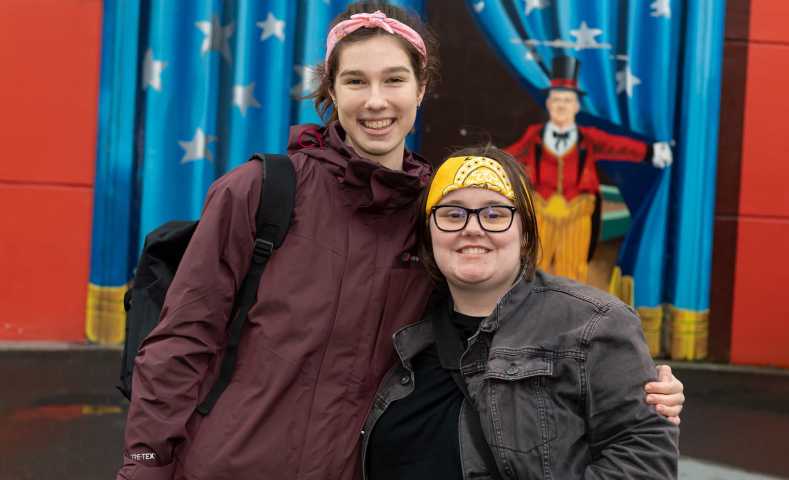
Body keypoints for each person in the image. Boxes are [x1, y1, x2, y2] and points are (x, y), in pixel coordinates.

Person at [118, 4, 683, 480]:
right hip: (226, 467)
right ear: (330, 90)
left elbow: (508, 311)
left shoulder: (436, 212)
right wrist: (145, 465)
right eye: (355, 81)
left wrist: (627, 382)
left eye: (393, 80)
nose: (375, 101)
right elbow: (181, 341)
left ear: (421, 88)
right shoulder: (260, 190)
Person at [362, 147, 679, 479]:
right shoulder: (396, 327)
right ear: (429, 234)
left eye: (495, 214)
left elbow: (645, 460)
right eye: (453, 214)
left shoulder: (595, 324)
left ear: (526, 234)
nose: (472, 228)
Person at [505, 56, 673, 282]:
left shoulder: (588, 138)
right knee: (533, 265)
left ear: (576, 106)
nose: (561, 105)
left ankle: (569, 303)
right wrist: (482, 162)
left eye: (567, 100)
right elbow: (509, 156)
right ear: (548, 104)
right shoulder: (535, 135)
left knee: (572, 270)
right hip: (541, 211)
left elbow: (618, 146)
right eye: (556, 100)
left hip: (577, 212)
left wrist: (650, 152)